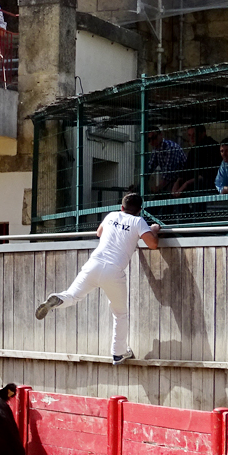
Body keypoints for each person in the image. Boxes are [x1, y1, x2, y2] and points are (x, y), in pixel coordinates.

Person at [36, 192, 161, 366]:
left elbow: (99, 232)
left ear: (121, 207)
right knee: (120, 313)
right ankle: (118, 353)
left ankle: (58, 299)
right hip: (114, 271)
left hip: (93, 264)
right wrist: (153, 230)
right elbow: (153, 244)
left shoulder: (111, 215)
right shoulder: (138, 222)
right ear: (140, 210)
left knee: (72, 296)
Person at [145, 127, 187, 194]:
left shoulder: (171, 148)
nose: (151, 141)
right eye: (148, 139)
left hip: (180, 182)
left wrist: (157, 188)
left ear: (161, 135)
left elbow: (168, 176)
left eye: (154, 137)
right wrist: (139, 185)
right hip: (171, 183)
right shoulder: (156, 149)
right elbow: (150, 168)